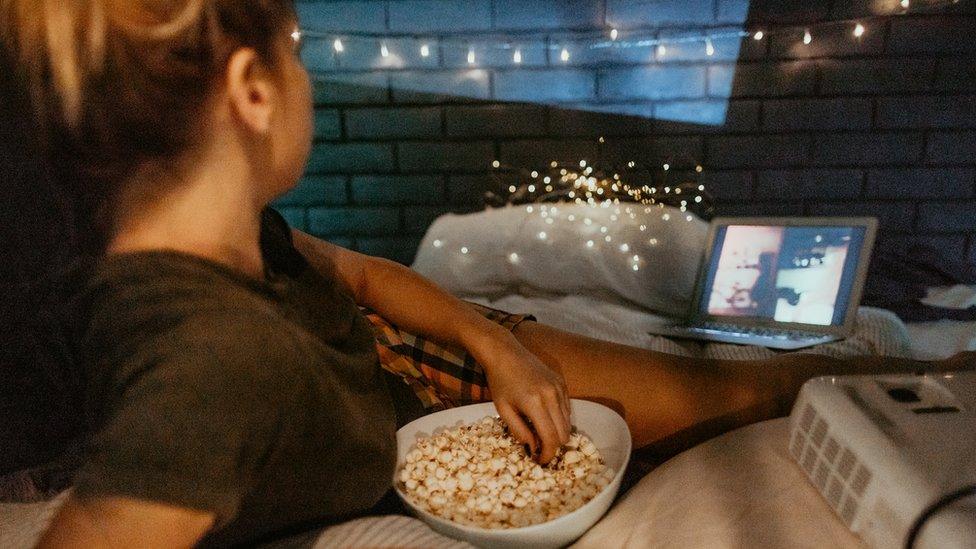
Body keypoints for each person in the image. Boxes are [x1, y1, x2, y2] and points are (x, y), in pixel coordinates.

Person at [1, 1, 971, 547]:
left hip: (431, 360)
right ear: (253, 93)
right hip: (412, 415)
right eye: (297, 54)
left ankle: (907, 375)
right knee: (723, 393)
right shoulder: (209, 362)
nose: (307, 77)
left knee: (737, 382)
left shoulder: (235, 240)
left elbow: (372, 280)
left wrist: (491, 341)